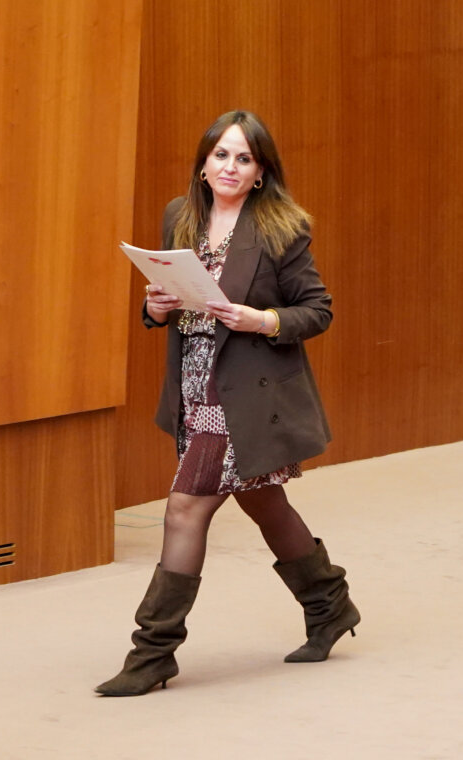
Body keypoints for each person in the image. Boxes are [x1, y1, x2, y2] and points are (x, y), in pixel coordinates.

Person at [96, 110, 360, 697]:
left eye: (244, 158)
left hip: (245, 394)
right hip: (193, 384)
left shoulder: (282, 229)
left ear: (261, 170)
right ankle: (329, 604)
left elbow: (316, 310)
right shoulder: (180, 215)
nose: (230, 167)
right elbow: (167, 302)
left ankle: (153, 652)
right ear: (204, 161)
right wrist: (155, 308)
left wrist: (260, 319)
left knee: (185, 509)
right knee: (264, 503)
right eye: (221, 155)